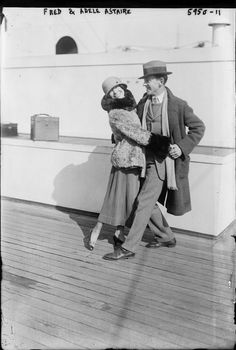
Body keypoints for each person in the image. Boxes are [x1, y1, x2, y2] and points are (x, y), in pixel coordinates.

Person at [103, 60, 206, 260]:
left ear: (161, 81)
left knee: (143, 201)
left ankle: (128, 247)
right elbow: (132, 126)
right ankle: (166, 236)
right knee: (145, 201)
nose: (145, 84)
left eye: (148, 81)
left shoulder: (178, 105)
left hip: (163, 163)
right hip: (142, 160)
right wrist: (117, 135)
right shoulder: (143, 102)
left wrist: (181, 147)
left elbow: (198, 128)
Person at [85, 76, 170, 250]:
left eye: (118, 87)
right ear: (110, 96)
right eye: (112, 91)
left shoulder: (129, 108)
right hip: (126, 160)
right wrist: (159, 143)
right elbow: (135, 132)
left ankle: (119, 232)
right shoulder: (116, 112)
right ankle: (98, 229)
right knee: (118, 198)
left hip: (134, 159)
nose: (117, 91)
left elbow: (122, 133)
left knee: (127, 198)